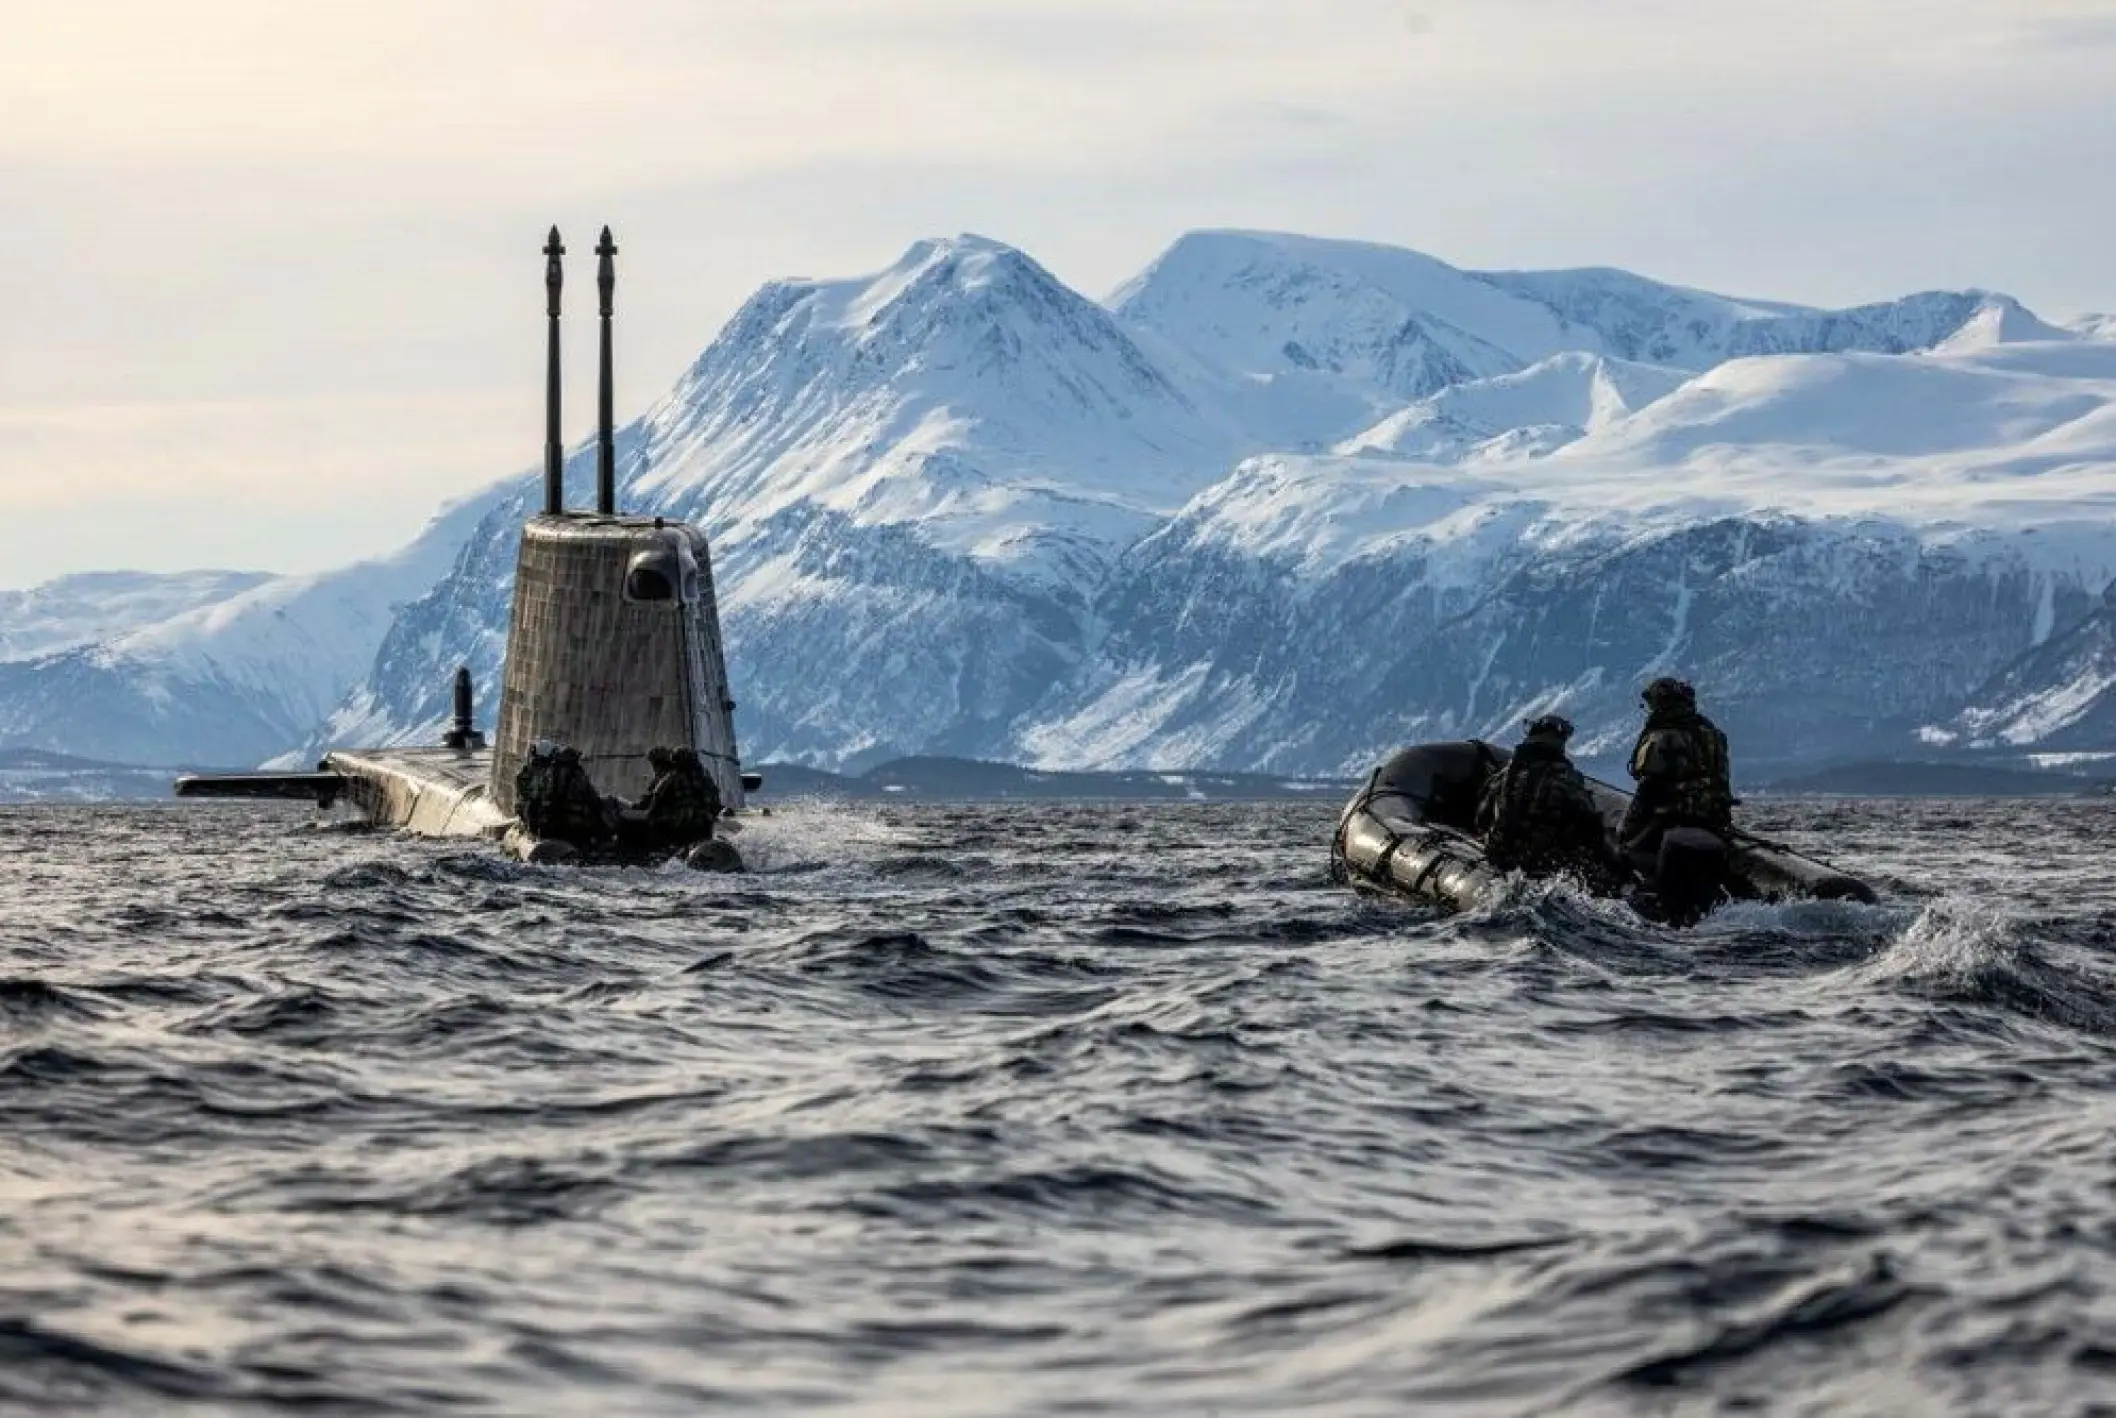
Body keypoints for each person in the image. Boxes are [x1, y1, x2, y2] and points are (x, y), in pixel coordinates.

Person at [1475, 714, 1622, 890]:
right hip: (1543, 869)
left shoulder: (1506, 776)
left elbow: (1481, 819)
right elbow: (1592, 830)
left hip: (1498, 860)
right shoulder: (1569, 781)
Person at [1616, 677, 1735, 863]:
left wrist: (1624, 833)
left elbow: (1646, 792)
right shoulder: (1715, 736)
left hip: (1670, 821)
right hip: (1715, 820)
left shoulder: (1660, 739)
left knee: (1622, 853)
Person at [514, 740, 616, 846]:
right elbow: (594, 801)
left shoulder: (539, 773)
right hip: (571, 827)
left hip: (548, 826)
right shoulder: (572, 773)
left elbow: (534, 801)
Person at [627, 745, 724, 849]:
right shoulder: (706, 778)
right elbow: (715, 804)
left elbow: (653, 807)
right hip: (704, 828)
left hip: (678, 829)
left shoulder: (670, 779)